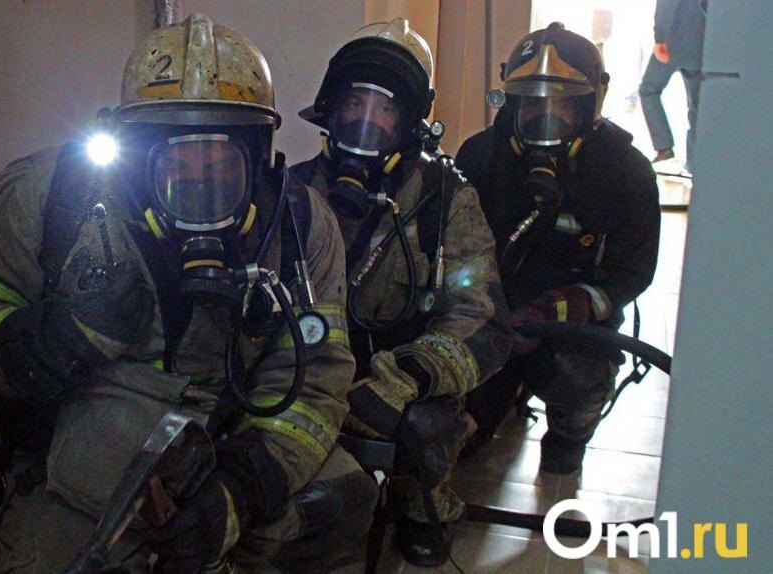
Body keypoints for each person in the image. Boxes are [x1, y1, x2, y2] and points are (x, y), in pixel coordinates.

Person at [0, 14, 373, 573]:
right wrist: (40, 346)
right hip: (77, 466)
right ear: (133, 149)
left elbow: (315, 380)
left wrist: (239, 493)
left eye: (220, 161)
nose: (197, 181)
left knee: (345, 496)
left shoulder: (300, 226)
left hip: (230, 440)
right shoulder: (54, 198)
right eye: (175, 158)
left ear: (257, 152)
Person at [291, 18, 512, 567]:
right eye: (354, 102)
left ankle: (423, 504)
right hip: (302, 372)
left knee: (427, 425)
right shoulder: (290, 192)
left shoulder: (445, 202)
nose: (365, 122)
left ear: (409, 125)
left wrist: (405, 377)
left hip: (393, 381)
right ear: (330, 110)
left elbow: (481, 317)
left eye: (384, 109)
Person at [456, 23, 660, 475]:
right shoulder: (479, 157)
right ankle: (498, 403)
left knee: (576, 378)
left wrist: (567, 308)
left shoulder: (626, 172)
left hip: (571, 329)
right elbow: (448, 251)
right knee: (460, 440)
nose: (544, 117)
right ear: (511, 101)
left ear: (590, 103)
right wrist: (487, 315)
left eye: (561, 105)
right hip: (490, 317)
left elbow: (633, 269)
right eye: (531, 103)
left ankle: (568, 434)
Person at [638, 0, 707, 169]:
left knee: (649, 90)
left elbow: (667, 5)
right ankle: (695, 165)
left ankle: (664, 147)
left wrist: (660, 38)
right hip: (701, 41)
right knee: (697, 108)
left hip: (674, 41)